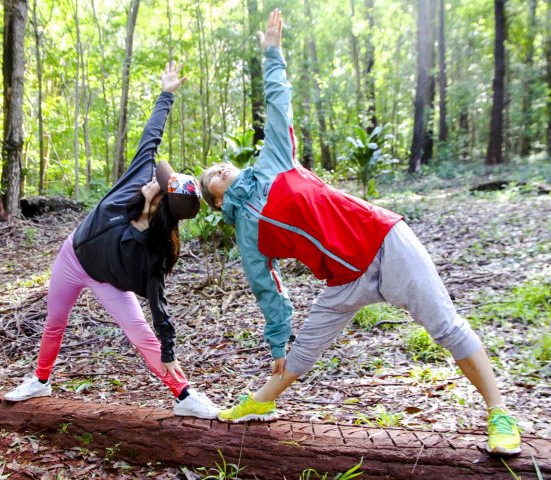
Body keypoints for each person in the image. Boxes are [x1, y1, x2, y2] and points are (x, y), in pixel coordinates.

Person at [199, 10, 520, 454]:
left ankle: (499, 412)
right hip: (343, 278)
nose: (217, 168)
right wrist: (277, 338)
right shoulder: (246, 237)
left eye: (219, 165)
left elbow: (279, 102)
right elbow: (265, 288)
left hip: (383, 241)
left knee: (445, 327)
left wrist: (273, 52)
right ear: (216, 201)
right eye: (210, 177)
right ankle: (259, 403)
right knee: (302, 351)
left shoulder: (272, 160)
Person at [5, 62, 219, 420]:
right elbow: (151, 138)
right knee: (54, 321)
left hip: (106, 279)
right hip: (71, 258)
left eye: (160, 181)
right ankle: (40, 379)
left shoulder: (154, 250)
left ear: (161, 203)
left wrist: (169, 348)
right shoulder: (137, 178)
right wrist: (166, 94)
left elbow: (158, 303)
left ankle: (184, 395)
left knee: (140, 334)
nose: (154, 175)